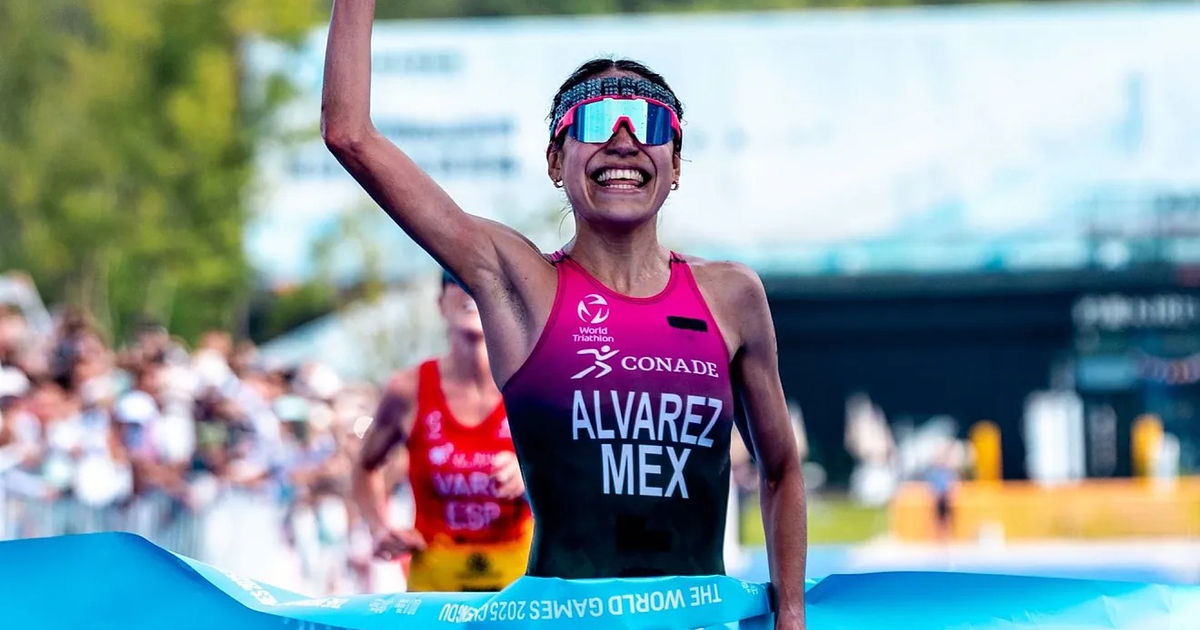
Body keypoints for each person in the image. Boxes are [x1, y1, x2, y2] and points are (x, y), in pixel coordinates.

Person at [323, 3, 807, 627]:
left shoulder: (731, 295)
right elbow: (350, 134)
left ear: (675, 165)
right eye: (597, 121)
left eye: (649, 123)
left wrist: (791, 614)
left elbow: (782, 468)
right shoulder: (520, 285)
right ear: (556, 161)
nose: (623, 139)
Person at [351, 272, 531, 592]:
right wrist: (379, 527)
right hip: (436, 585)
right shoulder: (407, 390)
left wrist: (532, 474)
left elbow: (578, 473)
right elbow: (365, 467)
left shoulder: (533, 386)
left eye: (487, 281)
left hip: (518, 581)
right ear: (440, 304)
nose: (471, 289)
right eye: (456, 278)